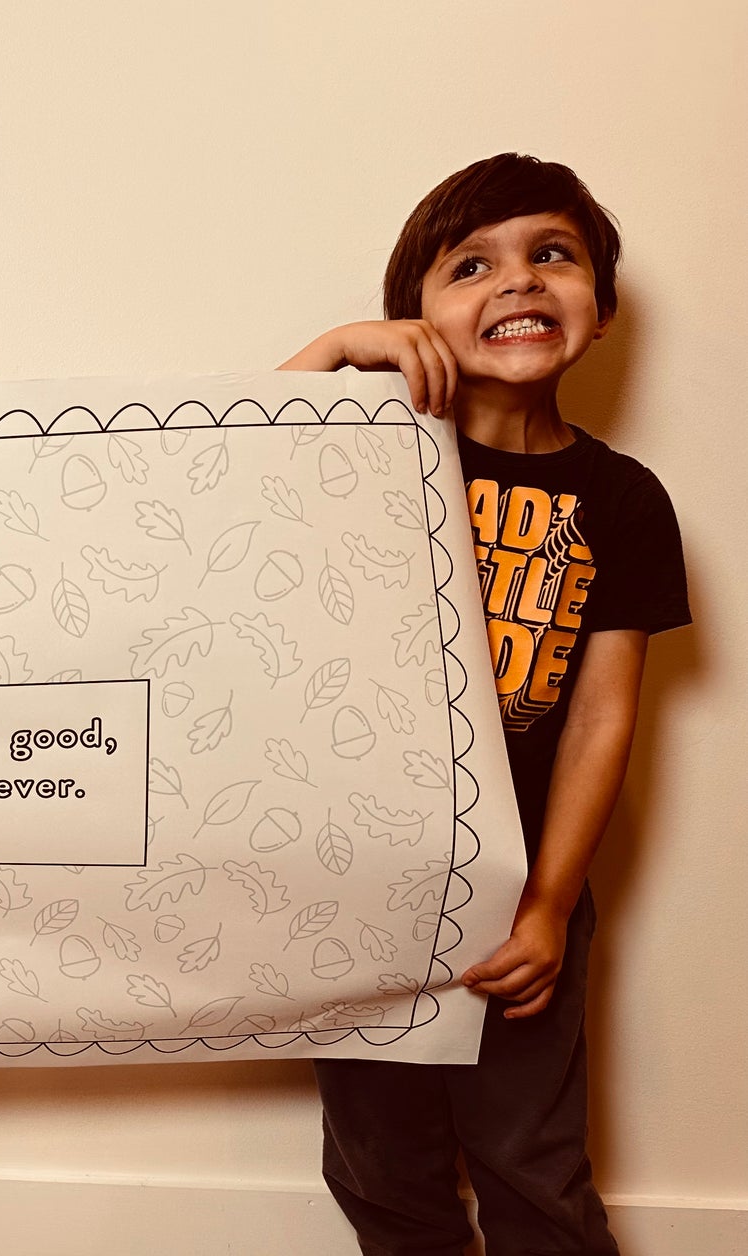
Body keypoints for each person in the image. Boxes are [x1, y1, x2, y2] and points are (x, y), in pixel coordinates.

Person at [281, 153, 690, 1255]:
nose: (515, 281)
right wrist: (326, 357)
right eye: (471, 263)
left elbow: (602, 717)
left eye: (549, 256)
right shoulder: (356, 454)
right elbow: (219, 485)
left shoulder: (621, 498)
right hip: (359, 884)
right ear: (410, 315)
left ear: (597, 311)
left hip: (520, 894)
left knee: (532, 1167)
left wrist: (550, 900)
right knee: (381, 1169)